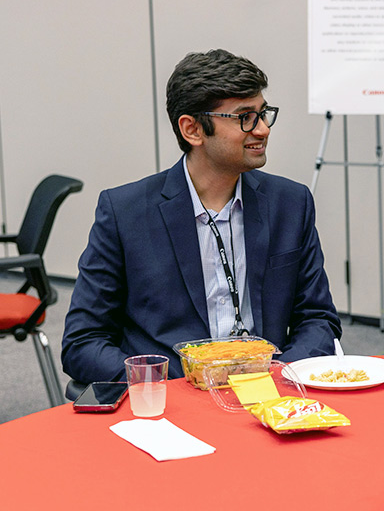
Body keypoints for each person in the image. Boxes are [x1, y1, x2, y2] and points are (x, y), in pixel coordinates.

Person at [62, 49, 341, 384]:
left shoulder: (290, 204)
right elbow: (82, 343)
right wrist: (163, 385)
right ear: (192, 130)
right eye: (245, 118)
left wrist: (279, 377)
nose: (263, 129)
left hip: (269, 398)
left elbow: (318, 320)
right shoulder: (126, 213)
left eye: (264, 114)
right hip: (174, 404)